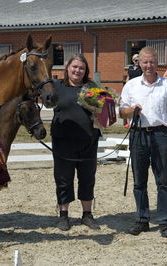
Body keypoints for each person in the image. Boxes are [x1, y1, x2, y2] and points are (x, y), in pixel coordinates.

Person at [119, 46, 167, 238]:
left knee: (162, 181)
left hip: (161, 135)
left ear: (157, 62)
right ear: (139, 63)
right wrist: (131, 111)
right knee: (139, 181)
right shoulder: (131, 85)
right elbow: (122, 111)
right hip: (138, 135)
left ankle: (164, 221)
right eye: (144, 62)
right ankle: (142, 219)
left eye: (152, 62)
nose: (148, 65)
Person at [51, 53, 101, 231]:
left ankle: (87, 215)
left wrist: (105, 108)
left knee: (87, 178)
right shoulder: (56, 86)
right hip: (62, 141)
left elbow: (103, 112)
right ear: (67, 68)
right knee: (63, 179)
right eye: (74, 67)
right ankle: (63, 216)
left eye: (81, 68)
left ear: (86, 70)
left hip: (88, 141)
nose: (77, 70)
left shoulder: (91, 87)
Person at [123, 54, 143, 127]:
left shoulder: (141, 68)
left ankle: (136, 120)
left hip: (138, 87)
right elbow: (128, 76)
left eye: (138, 59)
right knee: (129, 103)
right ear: (133, 60)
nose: (137, 61)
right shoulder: (130, 68)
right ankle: (128, 122)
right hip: (131, 86)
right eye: (135, 60)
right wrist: (126, 84)